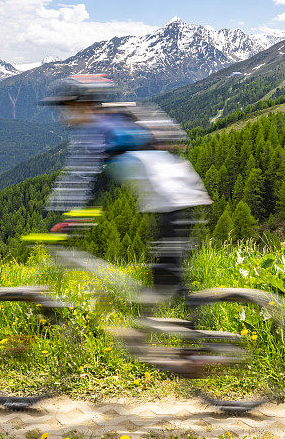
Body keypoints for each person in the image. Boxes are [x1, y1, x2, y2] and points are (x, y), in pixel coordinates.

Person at [41, 74, 212, 298]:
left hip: (175, 201)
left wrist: (69, 219)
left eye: (68, 107)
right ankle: (166, 320)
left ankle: (194, 326)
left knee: (163, 284)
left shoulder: (98, 131)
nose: (65, 114)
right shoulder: (113, 121)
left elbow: (80, 177)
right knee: (163, 281)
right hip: (176, 198)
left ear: (84, 105)